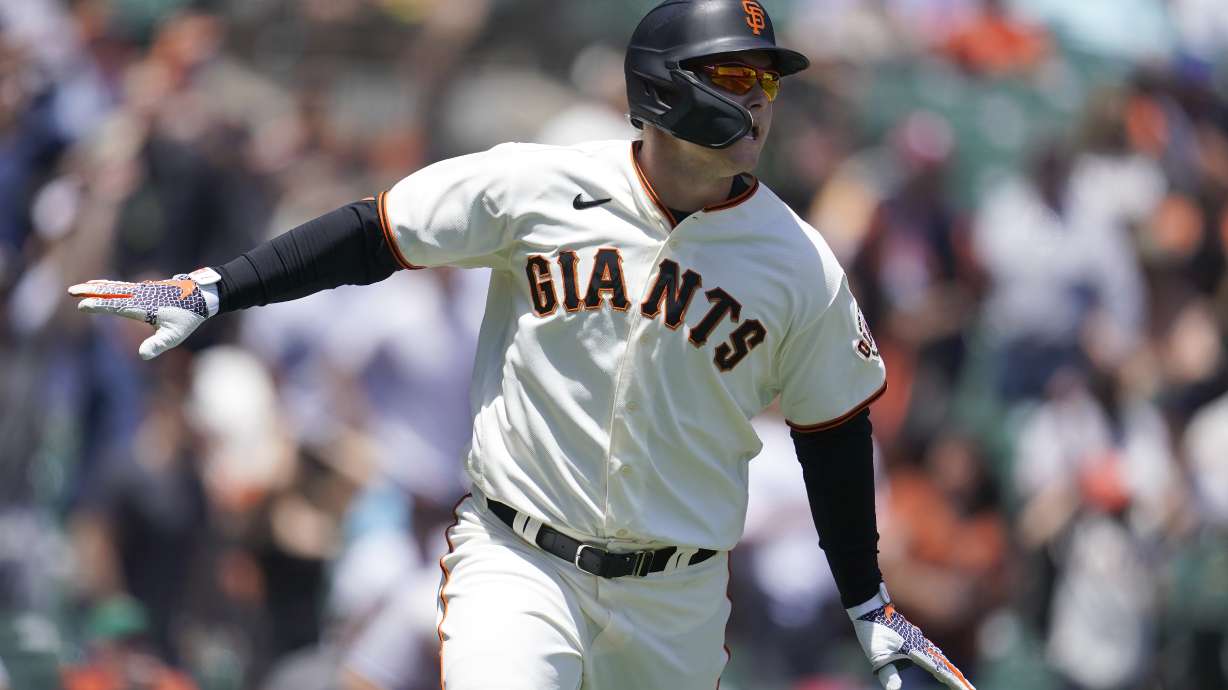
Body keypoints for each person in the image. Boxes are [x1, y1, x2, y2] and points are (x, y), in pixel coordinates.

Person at [69, 1, 976, 689]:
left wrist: (866, 595)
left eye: (768, 80)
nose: (762, 100)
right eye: (738, 76)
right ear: (666, 87)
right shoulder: (540, 183)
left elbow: (833, 430)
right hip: (520, 556)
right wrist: (220, 287)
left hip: (678, 597)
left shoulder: (800, 262)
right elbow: (374, 232)